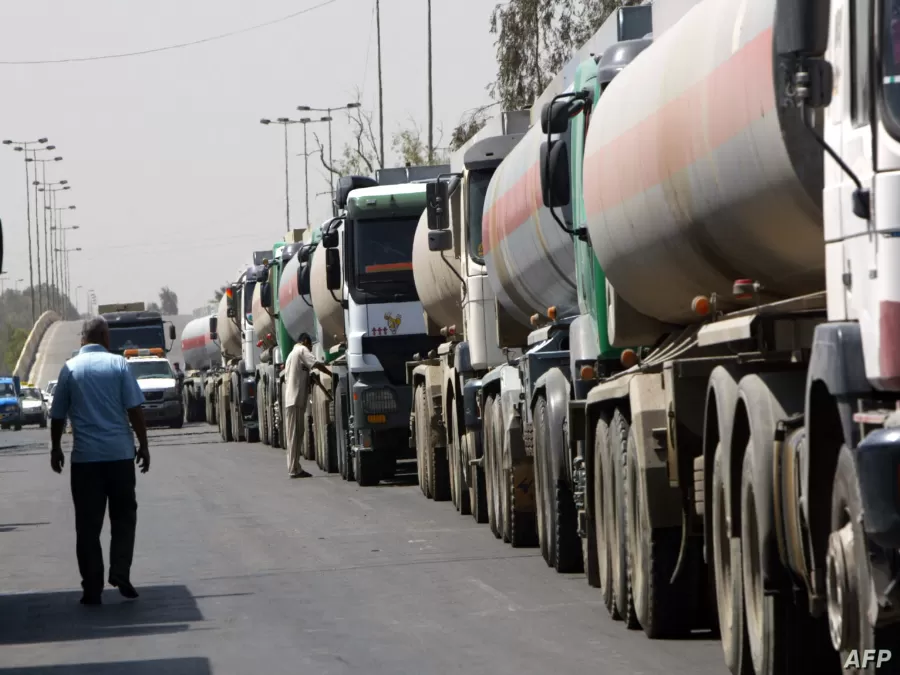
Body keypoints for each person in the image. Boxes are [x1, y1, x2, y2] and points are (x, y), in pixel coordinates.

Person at [49, 317, 150, 606]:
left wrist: (56, 449)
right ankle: (120, 572)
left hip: (85, 461)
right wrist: (143, 445)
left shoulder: (69, 369)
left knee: (87, 527)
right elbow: (134, 410)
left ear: (83, 340)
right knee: (124, 518)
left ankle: (92, 587)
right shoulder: (118, 365)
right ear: (105, 337)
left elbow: (57, 415)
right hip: (119, 457)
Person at [284, 333, 330, 478]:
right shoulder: (301, 350)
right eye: (310, 345)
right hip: (295, 400)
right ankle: (293, 469)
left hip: (293, 399)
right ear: (305, 342)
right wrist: (329, 372)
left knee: (295, 435)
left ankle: (295, 466)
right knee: (295, 435)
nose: (310, 349)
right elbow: (315, 364)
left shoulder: (292, 354)